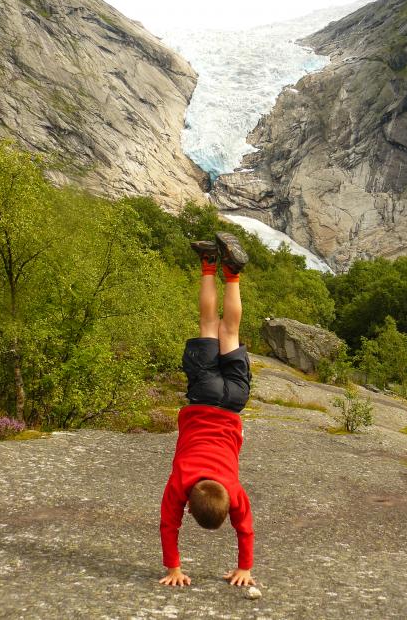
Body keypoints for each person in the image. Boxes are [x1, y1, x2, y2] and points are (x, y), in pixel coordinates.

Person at [159, 232, 255, 588]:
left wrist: (246, 566)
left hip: (233, 402)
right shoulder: (181, 483)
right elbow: (168, 525)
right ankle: (209, 263)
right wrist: (173, 568)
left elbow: (245, 528)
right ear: (189, 502)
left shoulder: (233, 488)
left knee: (230, 330)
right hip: (204, 397)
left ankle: (233, 273)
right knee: (208, 325)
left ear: (227, 500)